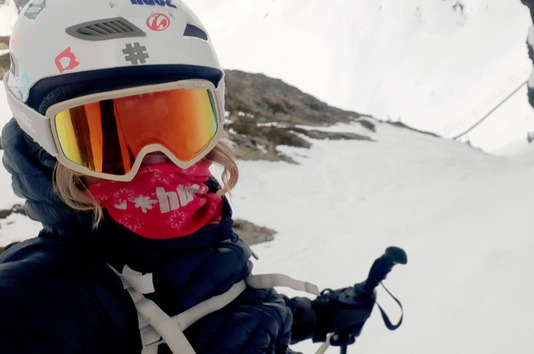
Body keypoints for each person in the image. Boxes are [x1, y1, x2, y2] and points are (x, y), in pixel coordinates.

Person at [0, 0, 375, 353]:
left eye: (178, 126)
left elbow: (217, 310)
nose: (157, 165)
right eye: (109, 143)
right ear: (43, 144)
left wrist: (320, 314)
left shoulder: (201, 235)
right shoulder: (45, 296)